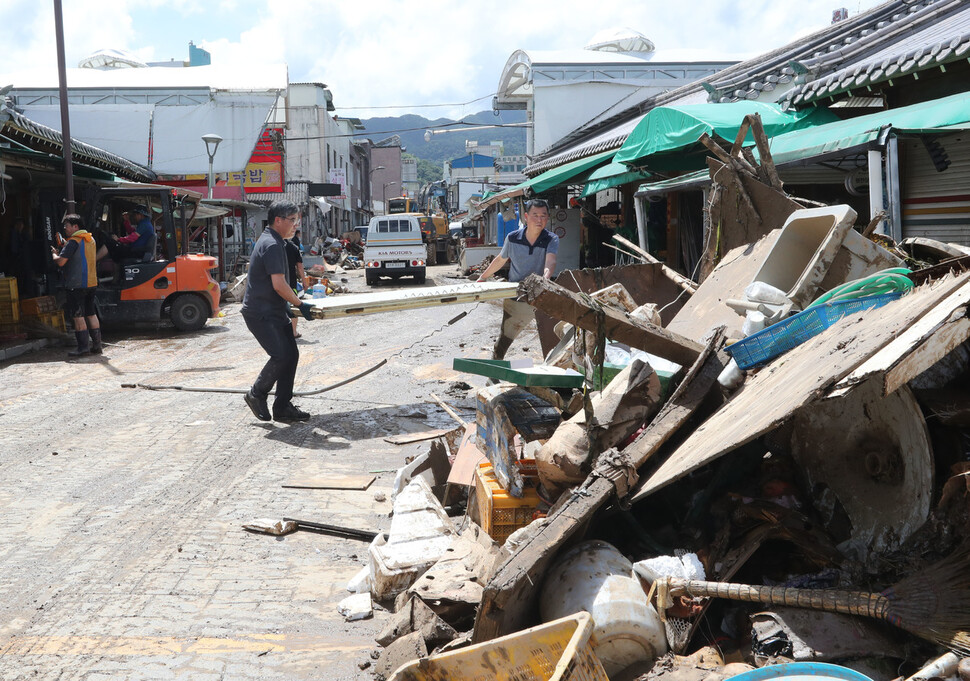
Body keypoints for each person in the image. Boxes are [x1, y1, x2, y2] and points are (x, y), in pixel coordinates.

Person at [241, 200, 314, 423]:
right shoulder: (271, 245)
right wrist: (300, 305)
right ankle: (256, 393)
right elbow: (279, 285)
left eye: (296, 220)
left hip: (274, 310)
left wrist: (287, 306)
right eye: (292, 220)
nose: (295, 225)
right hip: (261, 313)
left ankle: (282, 407)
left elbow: (279, 286)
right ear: (278, 220)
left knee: (291, 355)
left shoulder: (278, 242)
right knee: (281, 355)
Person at [477, 198, 558, 359]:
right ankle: (495, 372)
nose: (539, 219)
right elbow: (501, 259)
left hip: (540, 295)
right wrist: (482, 277)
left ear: (548, 218)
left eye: (543, 216)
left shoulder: (551, 239)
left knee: (552, 336)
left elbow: (550, 261)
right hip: (516, 294)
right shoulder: (512, 238)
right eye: (535, 215)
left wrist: (544, 280)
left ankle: (551, 373)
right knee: (505, 337)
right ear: (526, 217)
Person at [51, 214, 103, 357]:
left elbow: (61, 262)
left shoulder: (73, 242)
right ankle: (97, 346)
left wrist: (55, 254)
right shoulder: (90, 239)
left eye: (66, 226)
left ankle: (83, 348)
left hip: (76, 284)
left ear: (76, 227)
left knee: (78, 316)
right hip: (91, 283)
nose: (65, 228)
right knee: (91, 313)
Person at [284, 235, 306, 338]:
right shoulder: (293, 248)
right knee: (293, 307)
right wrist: (304, 282)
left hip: (275, 284)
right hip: (291, 284)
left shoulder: (274, 247)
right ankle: (293, 332)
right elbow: (300, 267)